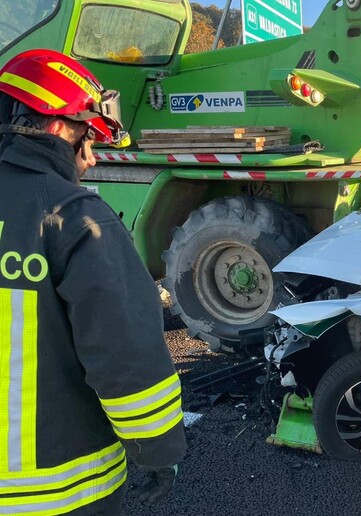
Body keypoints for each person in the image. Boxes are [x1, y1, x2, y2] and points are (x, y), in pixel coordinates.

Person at [0, 49, 185, 515]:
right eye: (88, 137)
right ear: (59, 128)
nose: (89, 158)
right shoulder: (75, 218)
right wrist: (158, 450)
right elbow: (126, 354)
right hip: (52, 491)